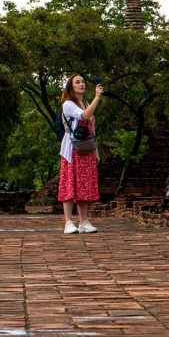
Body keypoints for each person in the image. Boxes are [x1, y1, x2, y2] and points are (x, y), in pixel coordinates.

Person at [59, 73, 103, 234]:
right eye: (78, 82)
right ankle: (68, 222)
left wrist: (96, 151)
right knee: (70, 184)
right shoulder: (68, 104)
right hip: (72, 150)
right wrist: (97, 97)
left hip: (87, 149)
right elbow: (84, 116)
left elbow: (92, 130)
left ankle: (84, 222)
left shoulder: (85, 103)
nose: (82, 84)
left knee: (84, 186)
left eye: (83, 81)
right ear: (71, 87)